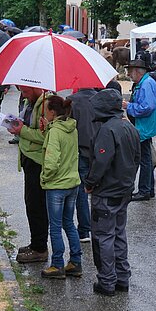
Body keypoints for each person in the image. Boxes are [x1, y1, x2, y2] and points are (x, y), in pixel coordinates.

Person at [85, 88, 140, 296]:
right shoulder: (129, 127)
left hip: (107, 192)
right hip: (124, 190)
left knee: (104, 237)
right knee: (118, 234)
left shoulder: (107, 130)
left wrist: (90, 182)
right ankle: (122, 278)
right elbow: (136, 159)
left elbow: (101, 162)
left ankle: (107, 281)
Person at [7, 86, 54, 264]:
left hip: (38, 161)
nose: (22, 93)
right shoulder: (30, 101)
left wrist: (22, 131)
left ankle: (40, 248)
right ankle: (36, 243)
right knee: (31, 203)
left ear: (35, 86)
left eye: (25, 90)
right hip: (29, 159)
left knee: (37, 205)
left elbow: (46, 136)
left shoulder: (46, 105)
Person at [39, 96, 83, 279]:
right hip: (72, 182)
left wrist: (44, 177)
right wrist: (46, 131)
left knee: (55, 227)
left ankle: (57, 264)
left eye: (45, 109)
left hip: (57, 185)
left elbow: (51, 161)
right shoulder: (71, 128)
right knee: (69, 224)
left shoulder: (56, 131)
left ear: (52, 112)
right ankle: (75, 261)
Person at [124, 59, 156, 201]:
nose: (128, 74)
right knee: (145, 158)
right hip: (146, 125)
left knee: (144, 159)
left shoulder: (146, 84)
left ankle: (144, 190)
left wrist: (128, 106)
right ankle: (148, 189)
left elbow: (147, 107)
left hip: (145, 126)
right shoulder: (145, 82)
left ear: (137, 71)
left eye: (130, 70)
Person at [69, 84, 104, 243]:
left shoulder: (72, 101)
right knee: (99, 189)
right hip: (100, 150)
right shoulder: (101, 100)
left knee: (82, 191)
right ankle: (100, 227)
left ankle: (84, 229)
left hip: (80, 149)